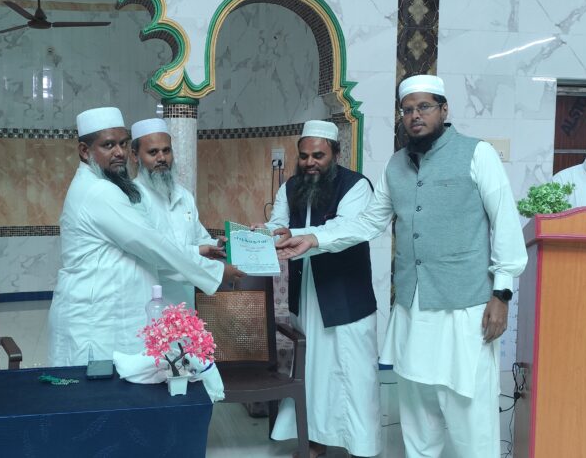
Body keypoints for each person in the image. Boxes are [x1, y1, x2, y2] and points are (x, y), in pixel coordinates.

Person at [276, 75, 527, 458]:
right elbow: (367, 222)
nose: (415, 116)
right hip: (412, 309)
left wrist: (502, 293)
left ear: (444, 109)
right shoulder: (396, 166)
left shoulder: (478, 154)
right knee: (417, 411)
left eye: (424, 107)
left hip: (465, 307)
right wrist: (314, 239)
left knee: (469, 413)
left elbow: (505, 222)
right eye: (407, 110)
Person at [47, 107, 244, 368]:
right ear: (84, 151)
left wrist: (206, 251)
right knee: (97, 387)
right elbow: (154, 246)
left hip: (114, 313)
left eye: (122, 143)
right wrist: (217, 272)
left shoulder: (108, 187)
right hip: (94, 318)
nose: (118, 152)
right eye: (108, 145)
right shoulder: (99, 192)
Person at [259, 120, 381, 458]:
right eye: (304, 156)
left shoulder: (356, 186)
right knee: (312, 372)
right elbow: (278, 224)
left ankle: (362, 447)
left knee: (353, 372)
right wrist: (261, 233)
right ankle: (313, 440)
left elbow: (346, 229)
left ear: (335, 154)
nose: (310, 162)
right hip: (307, 294)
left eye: (318, 156)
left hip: (345, 297)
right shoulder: (291, 187)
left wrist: (302, 237)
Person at [130, 118, 227, 308]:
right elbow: (156, 256)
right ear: (135, 156)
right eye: (153, 152)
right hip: (149, 303)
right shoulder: (133, 198)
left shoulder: (183, 195)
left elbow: (199, 239)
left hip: (184, 301)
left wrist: (217, 245)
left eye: (166, 150)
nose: (162, 158)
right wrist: (202, 255)